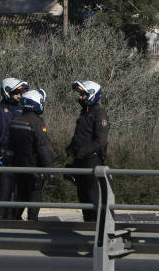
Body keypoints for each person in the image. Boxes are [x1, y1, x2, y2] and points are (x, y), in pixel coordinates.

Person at [66, 80, 110, 222]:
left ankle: (96, 231)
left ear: (92, 95)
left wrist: (82, 152)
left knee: (93, 198)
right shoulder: (84, 113)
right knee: (83, 197)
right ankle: (87, 228)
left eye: (84, 94)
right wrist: (71, 150)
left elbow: (101, 141)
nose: (80, 97)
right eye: (80, 94)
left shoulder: (99, 113)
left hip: (92, 161)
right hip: (80, 161)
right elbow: (80, 135)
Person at [0, 77, 29, 219]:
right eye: (17, 92)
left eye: (21, 93)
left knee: (21, 190)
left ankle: (15, 217)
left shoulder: (23, 109)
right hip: (4, 157)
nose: (20, 96)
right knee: (5, 188)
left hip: (21, 156)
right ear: (7, 92)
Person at [8, 89, 53, 221]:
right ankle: (33, 222)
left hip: (18, 165)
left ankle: (14, 218)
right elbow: (42, 147)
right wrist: (50, 168)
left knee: (20, 194)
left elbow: (10, 145)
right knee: (35, 194)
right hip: (34, 167)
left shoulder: (15, 120)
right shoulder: (37, 122)